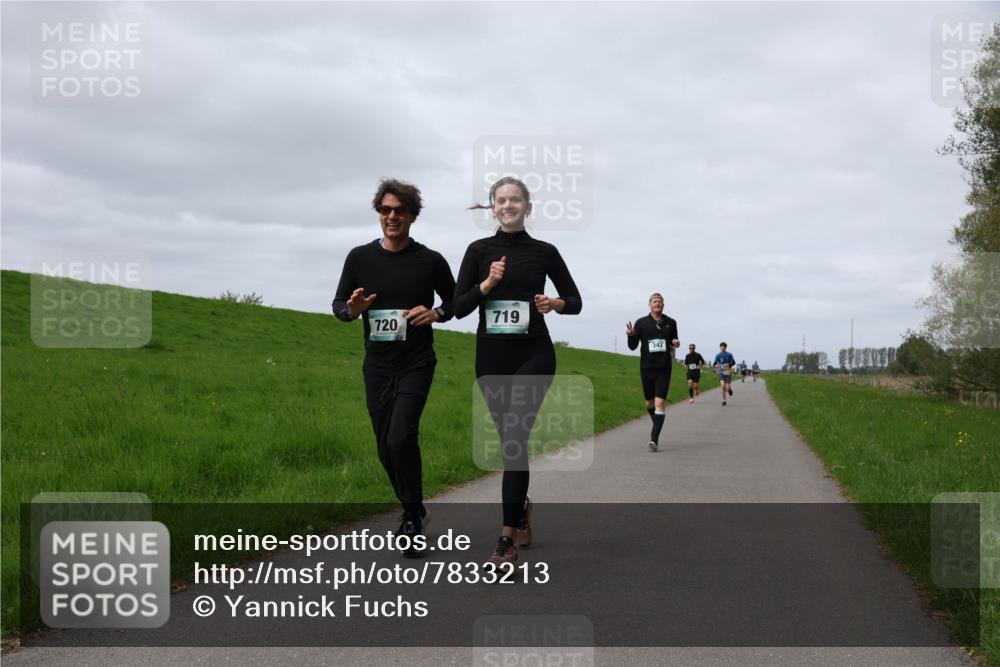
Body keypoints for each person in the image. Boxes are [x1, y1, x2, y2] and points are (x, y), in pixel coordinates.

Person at [454, 176, 582, 569]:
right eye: (501, 200)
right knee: (512, 446)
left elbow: (575, 301)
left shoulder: (545, 252)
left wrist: (554, 303)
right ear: (492, 208)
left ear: (528, 207)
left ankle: (505, 540)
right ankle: (521, 506)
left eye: (515, 200)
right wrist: (488, 283)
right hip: (491, 359)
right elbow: (459, 307)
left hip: (534, 355)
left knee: (514, 439)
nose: (508, 206)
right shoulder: (478, 250)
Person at [332, 178, 456, 557]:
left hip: (417, 362)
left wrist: (435, 312)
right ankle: (415, 507)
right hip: (378, 365)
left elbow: (455, 303)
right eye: (385, 210)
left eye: (399, 210)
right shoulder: (359, 258)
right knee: (385, 446)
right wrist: (351, 311)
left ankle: (410, 517)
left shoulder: (430, 261)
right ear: (379, 214)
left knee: (402, 436)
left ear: (412, 215)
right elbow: (339, 305)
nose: (391, 216)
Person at [626, 293, 680, 450]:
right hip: (646, 368)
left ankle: (654, 439)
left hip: (664, 368)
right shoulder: (641, 323)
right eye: (655, 302)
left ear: (663, 305)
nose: (658, 304)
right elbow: (632, 346)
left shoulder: (671, 322)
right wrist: (631, 336)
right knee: (649, 403)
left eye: (660, 302)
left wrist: (675, 343)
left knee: (660, 403)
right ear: (649, 304)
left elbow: (674, 340)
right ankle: (657, 421)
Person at [713, 342, 737, 406]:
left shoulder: (729, 354)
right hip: (721, 372)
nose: (722, 348)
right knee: (722, 386)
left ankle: (729, 390)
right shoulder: (718, 355)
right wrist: (716, 366)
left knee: (727, 387)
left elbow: (734, 362)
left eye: (723, 346)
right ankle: (724, 400)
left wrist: (729, 364)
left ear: (725, 347)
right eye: (721, 346)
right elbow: (714, 364)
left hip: (728, 372)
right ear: (720, 347)